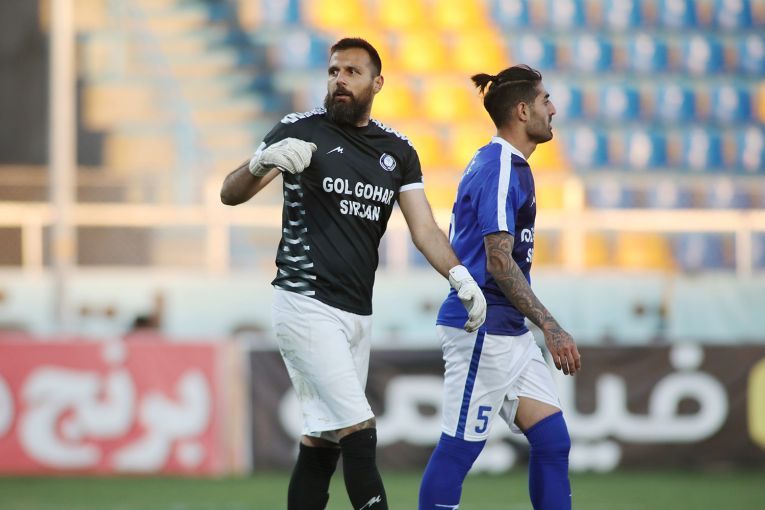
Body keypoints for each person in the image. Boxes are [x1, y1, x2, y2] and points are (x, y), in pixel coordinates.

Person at [220, 37, 487, 510]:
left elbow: (424, 228)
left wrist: (460, 277)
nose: (339, 80)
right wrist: (260, 162)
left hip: (357, 312)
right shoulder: (299, 130)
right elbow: (230, 193)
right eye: (333, 71)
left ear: (377, 83)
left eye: (351, 72)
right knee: (359, 431)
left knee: (322, 440)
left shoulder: (397, 151)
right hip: (304, 303)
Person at [418, 65, 582, 510]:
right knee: (458, 448)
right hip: (482, 328)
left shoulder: (506, 165)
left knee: (552, 440)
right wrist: (551, 326)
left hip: (508, 329)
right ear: (523, 110)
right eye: (546, 100)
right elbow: (498, 260)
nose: (553, 109)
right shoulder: (501, 166)